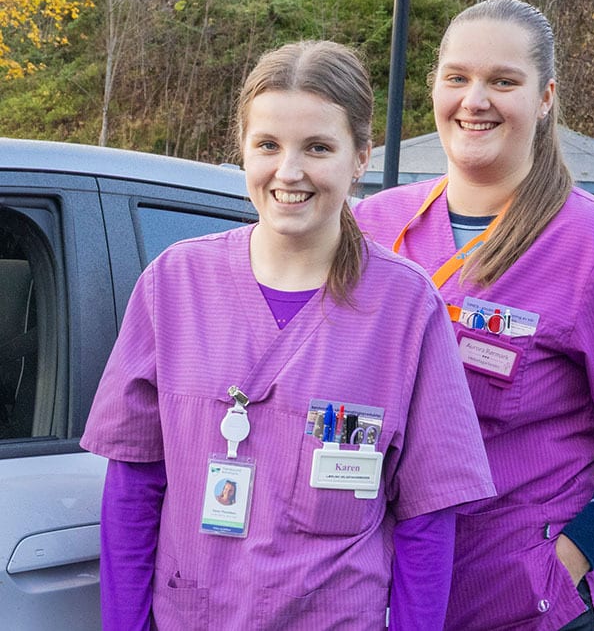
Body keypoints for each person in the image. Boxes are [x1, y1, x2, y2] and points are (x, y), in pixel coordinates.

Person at [80, 40, 495, 631]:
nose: (289, 171)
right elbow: (133, 486)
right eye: (268, 145)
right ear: (243, 152)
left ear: (360, 157)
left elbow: (428, 520)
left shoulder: (406, 308)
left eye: (318, 148)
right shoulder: (174, 285)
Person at [353, 0, 594, 630]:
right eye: (456, 77)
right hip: (377, 597)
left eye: (503, 81)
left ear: (544, 98)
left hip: (518, 605)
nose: (474, 100)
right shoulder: (369, 225)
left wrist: (566, 559)